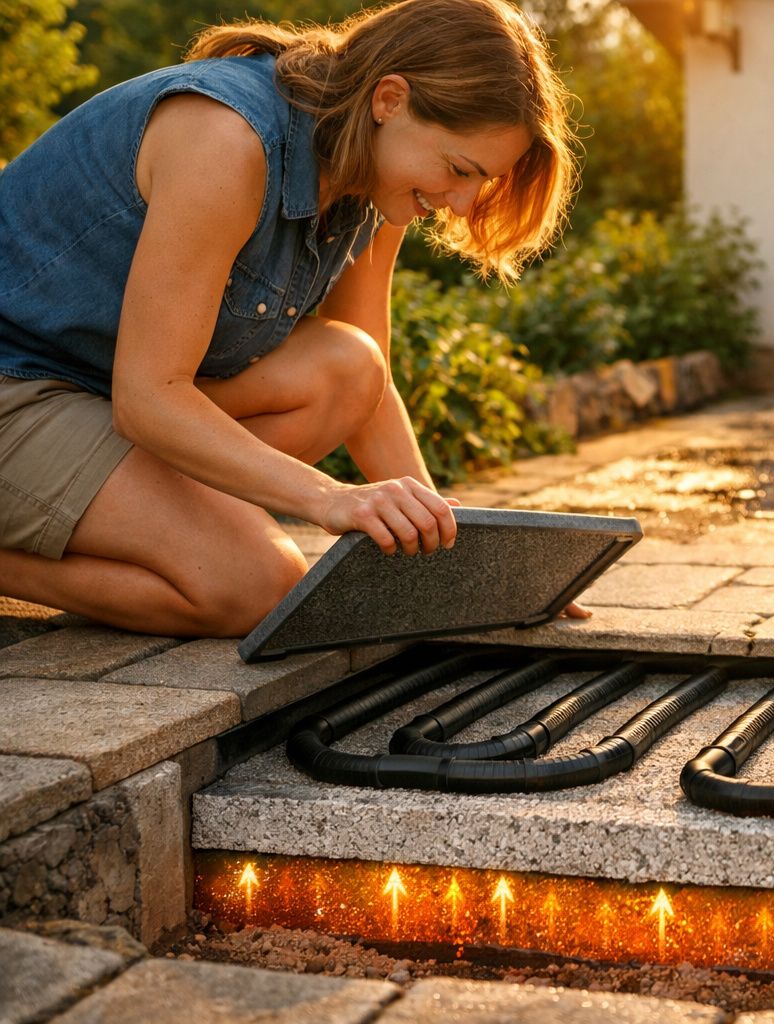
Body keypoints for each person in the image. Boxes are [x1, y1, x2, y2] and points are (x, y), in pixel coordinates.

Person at [0, 0, 591, 636]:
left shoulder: (378, 180)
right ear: (389, 99)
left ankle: (166, 522)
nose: (462, 202)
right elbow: (147, 399)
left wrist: (460, 555)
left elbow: (373, 387)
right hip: (19, 386)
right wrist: (328, 498)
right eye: (458, 169)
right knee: (259, 585)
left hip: (93, 391)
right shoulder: (227, 140)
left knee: (351, 367)